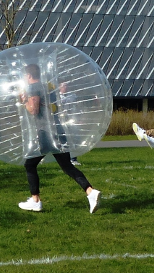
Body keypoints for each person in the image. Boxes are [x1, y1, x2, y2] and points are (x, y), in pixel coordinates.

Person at [17, 64, 100, 213]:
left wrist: (24, 102)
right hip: (57, 130)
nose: (24, 78)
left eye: (24, 75)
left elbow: (34, 110)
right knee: (67, 166)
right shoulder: (47, 87)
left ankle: (35, 200)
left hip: (46, 133)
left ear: (29, 75)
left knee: (29, 165)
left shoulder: (34, 88)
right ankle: (90, 191)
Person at [59, 81, 80, 166]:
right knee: (62, 141)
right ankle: (63, 160)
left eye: (67, 86)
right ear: (60, 87)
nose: (66, 87)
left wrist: (78, 117)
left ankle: (73, 159)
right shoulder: (56, 97)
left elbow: (77, 107)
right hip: (60, 121)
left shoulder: (72, 96)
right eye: (64, 86)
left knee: (74, 139)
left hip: (71, 120)